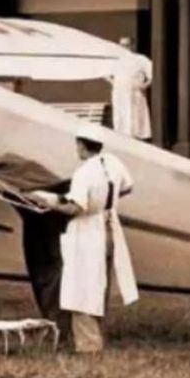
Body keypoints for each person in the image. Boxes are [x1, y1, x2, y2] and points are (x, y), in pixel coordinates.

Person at [39, 125, 139, 354]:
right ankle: (96, 339)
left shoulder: (84, 173)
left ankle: (88, 346)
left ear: (82, 146)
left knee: (81, 288)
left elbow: (75, 207)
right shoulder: (113, 163)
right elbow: (127, 187)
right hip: (109, 227)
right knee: (99, 285)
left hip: (88, 231)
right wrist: (105, 200)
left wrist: (49, 202)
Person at [110, 38, 153, 141]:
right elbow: (103, 72)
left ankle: (136, 140)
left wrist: (145, 85)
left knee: (135, 118)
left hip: (135, 94)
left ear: (132, 45)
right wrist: (114, 83)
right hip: (120, 93)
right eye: (121, 45)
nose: (124, 47)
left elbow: (153, 73)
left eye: (126, 45)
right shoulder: (115, 60)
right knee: (121, 118)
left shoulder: (140, 59)